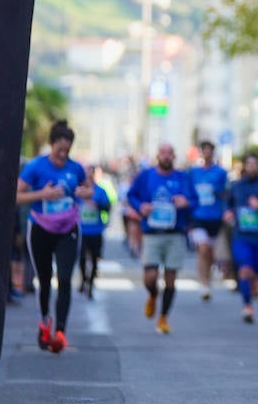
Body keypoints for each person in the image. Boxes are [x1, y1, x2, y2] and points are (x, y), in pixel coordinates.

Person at [15, 120, 93, 354]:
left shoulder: (75, 168)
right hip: (40, 228)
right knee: (45, 279)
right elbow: (17, 196)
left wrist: (83, 191)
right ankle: (44, 322)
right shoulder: (36, 167)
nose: (62, 155)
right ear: (51, 145)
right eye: (59, 150)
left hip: (68, 228)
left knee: (66, 279)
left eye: (67, 151)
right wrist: (43, 194)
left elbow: (90, 189)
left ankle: (60, 331)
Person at [124, 142, 196, 334]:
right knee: (150, 277)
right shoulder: (146, 176)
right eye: (162, 153)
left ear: (174, 156)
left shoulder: (182, 178)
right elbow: (131, 196)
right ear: (157, 156)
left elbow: (195, 200)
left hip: (175, 233)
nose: (166, 156)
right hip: (152, 232)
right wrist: (141, 207)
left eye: (169, 153)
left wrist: (186, 202)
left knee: (171, 279)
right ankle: (153, 294)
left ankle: (163, 318)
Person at [225, 152, 258, 324]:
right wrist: (228, 212)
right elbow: (228, 203)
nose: (252, 167)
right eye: (249, 164)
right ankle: (247, 306)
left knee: (256, 270)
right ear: (244, 166)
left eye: (255, 164)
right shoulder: (237, 186)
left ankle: (255, 284)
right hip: (242, 235)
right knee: (245, 268)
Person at [189, 140, 229, 302]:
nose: (207, 153)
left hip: (215, 216)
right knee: (203, 248)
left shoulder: (220, 172)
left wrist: (218, 194)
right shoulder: (193, 172)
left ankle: (208, 277)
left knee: (211, 253)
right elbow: (189, 192)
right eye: (204, 150)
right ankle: (204, 283)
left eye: (209, 151)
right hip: (198, 216)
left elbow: (226, 193)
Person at [77, 163, 115, 299]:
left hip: (96, 230)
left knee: (94, 258)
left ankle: (91, 285)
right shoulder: (77, 190)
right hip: (81, 230)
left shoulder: (100, 191)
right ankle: (83, 280)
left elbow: (108, 206)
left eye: (91, 173)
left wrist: (98, 205)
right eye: (86, 173)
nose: (88, 176)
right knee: (81, 258)